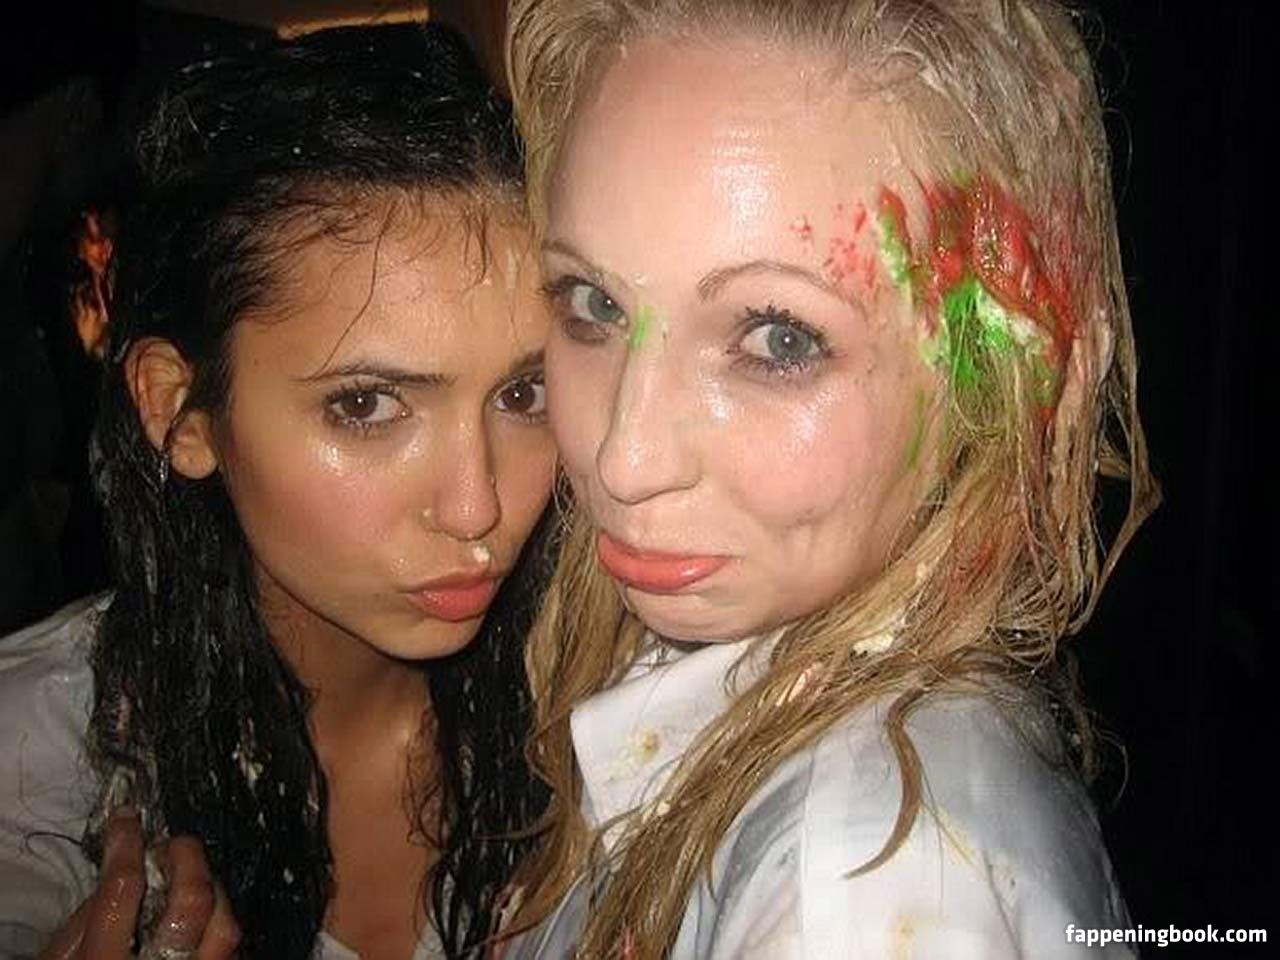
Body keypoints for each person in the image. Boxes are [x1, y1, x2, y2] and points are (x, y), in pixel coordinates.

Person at [499, 0, 1159, 956]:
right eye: (594, 304)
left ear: (1001, 369)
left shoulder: (862, 892)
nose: (623, 461)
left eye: (779, 339)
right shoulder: (721, 653)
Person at [0, 23, 556, 960]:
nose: (477, 509)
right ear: (181, 413)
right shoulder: (32, 774)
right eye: (367, 405)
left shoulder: (611, 709)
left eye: (524, 394)